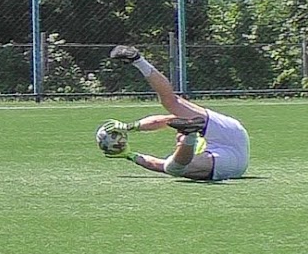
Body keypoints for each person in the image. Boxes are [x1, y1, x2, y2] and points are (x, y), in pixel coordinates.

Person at [102, 45, 250, 181]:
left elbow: (158, 165)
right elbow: (163, 121)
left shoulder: (191, 153)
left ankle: (190, 135)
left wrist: (130, 154)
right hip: (232, 134)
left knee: (173, 168)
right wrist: (128, 128)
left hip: (229, 159)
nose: (177, 136)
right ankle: (137, 60)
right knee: (171, 101)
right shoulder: (194, 146)